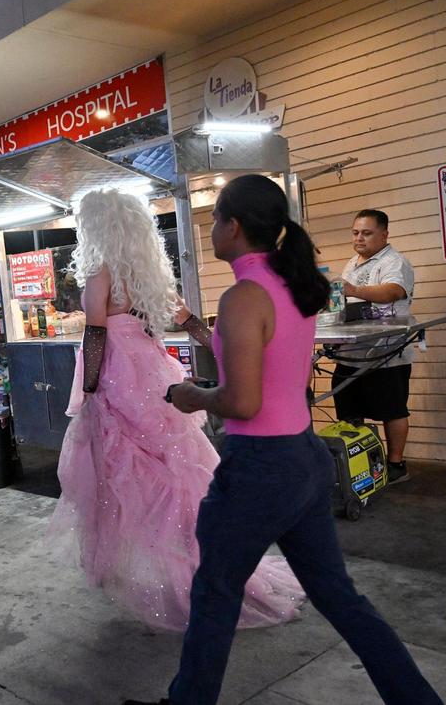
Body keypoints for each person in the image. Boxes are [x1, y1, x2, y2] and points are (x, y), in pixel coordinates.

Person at [127, 175, 442, 705]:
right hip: (302, 455)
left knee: (214, 592)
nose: (210, 232)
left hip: (260, 466)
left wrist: (194, 396)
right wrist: (198, 336)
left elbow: (244, 402)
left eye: (214, 221)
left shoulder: (243, 296)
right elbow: (276, 379)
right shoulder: (292, 287)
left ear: (233, 226)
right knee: (339, 597)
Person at [47, 189, 303, 633]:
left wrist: (87, 391)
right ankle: (200, 553)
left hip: (115, 376)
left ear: (97, 227)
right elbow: (192, 324)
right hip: (151, 372)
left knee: (120, 472)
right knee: (178, 464)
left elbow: (95, 336)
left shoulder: (99, 274)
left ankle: (147, 564)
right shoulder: (148, 276)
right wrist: (231, 351)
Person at [333, 209, 416, 484]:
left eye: (367, 233)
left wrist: (353, 290)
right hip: (351, 353)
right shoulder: (352, 264)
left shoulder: (395, 262)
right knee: (348, 410)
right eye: (355, 233)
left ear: (384, 234)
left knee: (392, 409)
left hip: (386, 353)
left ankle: (396, 465)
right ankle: (362, 462)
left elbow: (393, 291)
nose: (359, 238)